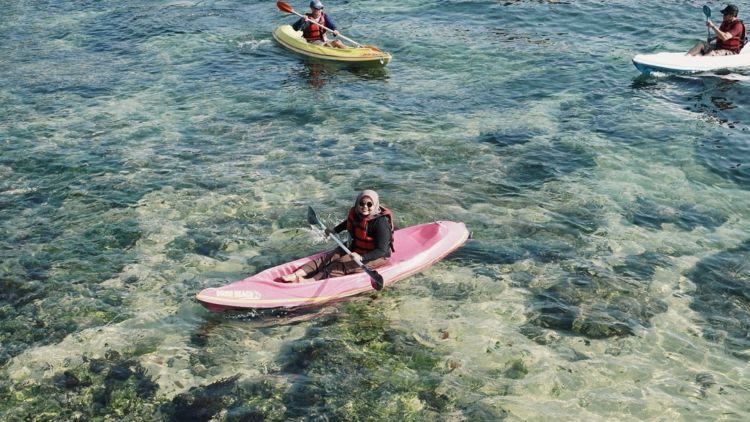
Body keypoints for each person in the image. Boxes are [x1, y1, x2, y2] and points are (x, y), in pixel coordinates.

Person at [280, 190, 395, 282]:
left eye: (369, 204)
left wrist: (361, 258)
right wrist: (334, 230)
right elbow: (348, 223)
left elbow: (381, 250)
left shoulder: (380, 223)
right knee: (327, 258)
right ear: (357, 203)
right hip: (355, 247)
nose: (365, 207)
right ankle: (296, 274)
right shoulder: (356, 213)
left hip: (375, 256)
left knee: (339, 265)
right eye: (361, 203)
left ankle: (310, 281)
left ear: (375, 205)